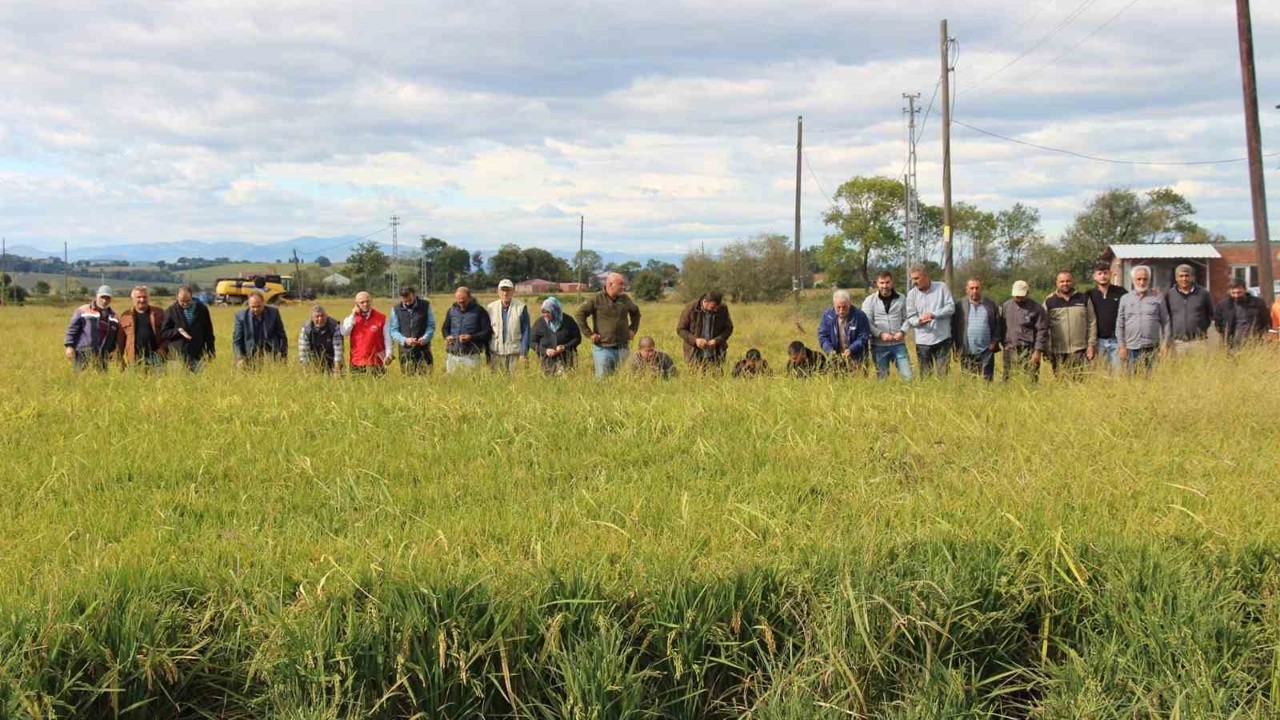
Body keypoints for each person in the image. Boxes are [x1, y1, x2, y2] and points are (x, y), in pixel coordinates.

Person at [576, 272, 642, 377]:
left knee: (623, 380)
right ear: (611, 284)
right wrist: (589, 334)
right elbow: (580, 314)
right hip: (603, 348)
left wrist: (633, 329)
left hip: (623, 348)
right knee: (602, 381)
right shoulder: (596, 298)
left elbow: (636, 313)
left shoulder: (625, 299)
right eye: (620, 284)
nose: (623, 287)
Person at [1117, 265, 1171, 376]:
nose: (1142, 282)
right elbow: (1120, 324)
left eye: (1145, 279)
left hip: (1152, 348)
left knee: (1153, 379)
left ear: (1149, 280)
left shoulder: (1157, 298)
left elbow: (1166, 322)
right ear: (1133, 280)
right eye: (1139, 279)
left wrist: (1165, 344)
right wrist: (1122, 346)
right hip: (1131, 348)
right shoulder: (1125, 299)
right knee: (1132, 379)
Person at [1044, 270, 1097, 380]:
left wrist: (1091, 345)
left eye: (1068, 281)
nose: (1065, 284)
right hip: (1058, 351)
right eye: (1062, 281)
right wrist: (1046, 348)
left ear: (1073, 282)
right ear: (1057, 283)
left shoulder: (1083, 298)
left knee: (1081, 384)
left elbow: (1092, 322)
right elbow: (1043, 326)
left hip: (1080, 350)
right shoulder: (1049, 301)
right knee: (1061, 382)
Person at [905, 264, 955, 377]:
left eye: (916, 278)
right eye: (912, 279)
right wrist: (919, 321)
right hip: (922, 342)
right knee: (925, 376)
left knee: (943, 376)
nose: (914, 282)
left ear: (926, 276)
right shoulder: (911, 295)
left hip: (942, 339)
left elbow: (951, 307)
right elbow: (910, 317)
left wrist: (934, 314)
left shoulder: (942, 287)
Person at [861, 271, 912, 381]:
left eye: (887, 282)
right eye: (882, 283)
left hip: (899, 344)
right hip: (879, 346)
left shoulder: (902, 298)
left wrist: (902, 332)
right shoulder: (869, 301)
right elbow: (866, 322)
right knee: (882, 379)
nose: (885, 286)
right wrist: (880, 334)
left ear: (892, 282)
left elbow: (908, 317)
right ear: (877, 283)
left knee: (908, 377)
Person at [951, 278, 1002, 381]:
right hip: (967, 350)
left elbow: (998, 325)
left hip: (986, 350)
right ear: (967, 289)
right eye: (972, 288)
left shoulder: (990, 305)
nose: (975, 291)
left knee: (987, 381)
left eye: (977, 288)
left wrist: (994, 343)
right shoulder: (959, 305)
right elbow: (954, 327)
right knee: (968, 381)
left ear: (981, 289)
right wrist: (955, 348)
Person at [160, 285, 216, 371]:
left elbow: (208, 332)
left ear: (192, 297)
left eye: (188, 301)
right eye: (182, 301)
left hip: (198, 355)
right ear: (177, 298)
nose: (185, 304)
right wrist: (178, 331)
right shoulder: (170, 311)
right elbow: (164, 333)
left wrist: (211, 351)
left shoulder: (202, 310)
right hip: (177, 357)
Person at [1000, 281, 1048, 382]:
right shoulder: (1006, 306)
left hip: (1029, 350)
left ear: (1027, 293)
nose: (1018, 298)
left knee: (1031, 380)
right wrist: (1004, 343)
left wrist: (1037, 351)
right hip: (1010, 349)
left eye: (1020, 296)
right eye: (1016, 296)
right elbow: (1001, 327)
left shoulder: (1037, 308)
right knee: (1007, 380)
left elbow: (1042, 331)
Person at [64, 285, 119, 371]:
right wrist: (69, 346)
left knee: (100, 381)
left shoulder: (114, 316)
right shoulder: (83, 310)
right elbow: (72, 329)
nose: (104, 301)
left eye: (107, 298)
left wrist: (114, 350)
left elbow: (116, 337)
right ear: (97, 296)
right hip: (83, 353)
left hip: (103, 355)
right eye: (102, 297)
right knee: (80, 379)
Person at [676, 290, 734, 371]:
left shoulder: (723, 309)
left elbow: (729, 328)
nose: (716, 310)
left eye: (718, 307)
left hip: (716, 354)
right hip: (694, 353)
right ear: (705, 302)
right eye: (713, 307)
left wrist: (717, 340)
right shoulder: (690, 308)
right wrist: (695, 341)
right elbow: (680, 329)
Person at [817, 289, 872, 374]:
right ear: (833, 305)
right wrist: (829, 350)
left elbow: (864, 336)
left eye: (844, 307)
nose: (841, 310)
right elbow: (823, 336)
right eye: (838, 307)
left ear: (849, 304)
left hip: (857, 358)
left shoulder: (859, 315)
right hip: (836, 358)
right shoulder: (827, 316)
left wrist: (851, 349)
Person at [1164, 263, 1213, 356]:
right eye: (1181, 276)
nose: (1184, 279)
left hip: (1199, 342)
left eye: (1187, 276)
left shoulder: (1203, 294)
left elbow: (1210, 314)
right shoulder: (1169, 295)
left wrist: (1201, 329)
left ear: (1192, 277)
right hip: (1178, 343)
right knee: (1179, 370)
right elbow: (1167, 317)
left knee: (1200, 369)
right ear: (1176, 278)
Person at [232, 290, 288, 368]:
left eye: (258, 306)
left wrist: (283, 355)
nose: (256, 309)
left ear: (263, 303)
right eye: (253, 307)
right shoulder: (241, 316)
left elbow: (281, 335)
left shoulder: (274, 313)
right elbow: (237, 340)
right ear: (248, 304)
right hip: (250, 355)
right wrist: (240, 358)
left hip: (272, 354)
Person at [1087, 262, 1127, 372]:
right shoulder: (1089, 294)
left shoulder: (1121, 292)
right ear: (1094, 276)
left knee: (1118, 374)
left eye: (1105, 273)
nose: (1103, 276)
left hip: (1117, 340)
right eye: (1099, 273)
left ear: (1110, 274)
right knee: (1101, 374)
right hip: (1098, 341)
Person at [116, 285, 167, 371]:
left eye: (144, 297)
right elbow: (120, 341)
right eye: (138, 297)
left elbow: (167, 334)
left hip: (157, 359)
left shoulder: (159, 313)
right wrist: (120, 360)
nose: (142, 300)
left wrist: (162, 349)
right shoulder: (126, 315)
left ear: (149, 298)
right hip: (134, 361)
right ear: (133, 299)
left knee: (158, 383)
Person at [442, 286, 492, 373]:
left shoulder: (480, 311)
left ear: (470, 298)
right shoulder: (451, 311)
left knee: (471, 383)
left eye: (463, 300)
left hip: (471, 357)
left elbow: (487, 332)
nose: (461, 302)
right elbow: (445, 328)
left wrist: (471, 337)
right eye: (458, 300)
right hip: (452, 356)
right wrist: (447, 336)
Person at [528, 296, 581, 376]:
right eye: (543, 312)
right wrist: (545, 351)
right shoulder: (539, 323)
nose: (545, 315)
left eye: (548, 312)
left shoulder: (568, 321)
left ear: (555, 310)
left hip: (566, 362)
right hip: (546, 364)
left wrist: (565, 347)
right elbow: (532, 342)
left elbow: (577, 338)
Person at [388, 285, 435, 375]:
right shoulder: (395, 309)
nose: (408, 303)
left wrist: (426, 338)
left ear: (414, 295)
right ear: (401, 298)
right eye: (405, 301)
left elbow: (431, 326)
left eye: (410, 300)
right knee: (408, 378)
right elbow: (393, 330)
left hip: (423, 350)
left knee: (426, 378)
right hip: (405, 351)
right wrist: (405, 340)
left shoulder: (426, 306)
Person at [342, 291, 391, 375]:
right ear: (356, 304)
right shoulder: (350, 319)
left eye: (367, 301)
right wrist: (353, 314)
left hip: (376, 362)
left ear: (371, 301)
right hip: (357, 362)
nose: (365, 304)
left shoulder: (381, 318)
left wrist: (388, 354)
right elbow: (345, 332)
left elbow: (387, 338)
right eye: (362, 302)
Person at [487, 279, 530, 374]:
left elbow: (526, 331)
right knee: (497, 384)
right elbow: (487, 332)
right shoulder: (490, 308)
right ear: (498, 291)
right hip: (496, 353)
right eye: (502, 290)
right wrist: (487, 353)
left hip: (515, 354)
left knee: (516, 384)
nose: (505, 293)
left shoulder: (521, 307)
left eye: (508, 290)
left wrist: (523, 353)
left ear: (513, 291)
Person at [1214, 280, 1269, 350]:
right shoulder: (1223, 305)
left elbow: (1266, 321)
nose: (1236, 296)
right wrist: (1226, 335)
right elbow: (1218, 324)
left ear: (1245, 290)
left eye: (1239, 293)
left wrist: (1260, 335)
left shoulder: (1258, 303)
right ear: (1229, 292)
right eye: (1233, 293)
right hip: (1231, 344)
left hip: (1254, 343)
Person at [298, 304, 344, 374]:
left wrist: (336, 371)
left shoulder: (335, 327)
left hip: (333, 358)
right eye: (317, 317)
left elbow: (338, 351)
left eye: (322, 316)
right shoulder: (306, 329)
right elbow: (303, 352)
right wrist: (306, 372)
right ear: (312, 318)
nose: (320, 319)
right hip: (314, 361)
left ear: (326, 316)